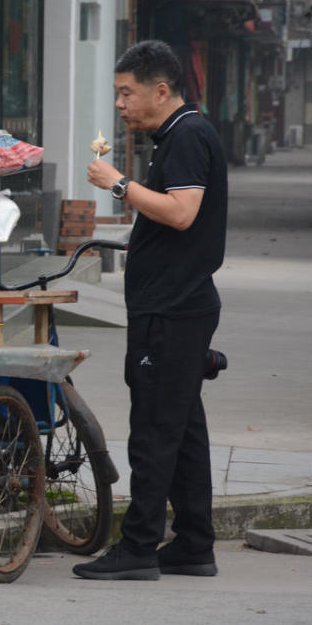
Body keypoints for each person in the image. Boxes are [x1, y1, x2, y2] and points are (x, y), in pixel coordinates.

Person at [74, 40, 227, 581]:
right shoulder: (179, 134)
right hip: (174, 304)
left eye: (126, 93)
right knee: (182, 428)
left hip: (173, 309)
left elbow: (183, 213)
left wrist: (119, 184)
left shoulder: (186, 135)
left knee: (155, 429)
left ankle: (138, 547)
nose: (119, 104)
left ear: (160, 91)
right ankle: (193, 544)